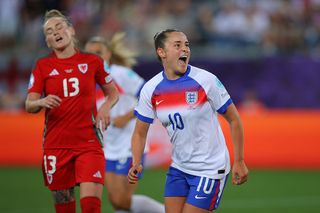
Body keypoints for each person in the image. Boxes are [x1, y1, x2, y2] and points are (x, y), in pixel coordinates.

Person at [128, 29, 249, 213]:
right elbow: (139, 131)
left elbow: (234, 119)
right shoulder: (150, 89)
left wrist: (239, 160)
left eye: (186, 45)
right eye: (177, 45)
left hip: (210, 168)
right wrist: (136, 161)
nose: (185, 49)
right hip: (179, 167)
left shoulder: (205, 80)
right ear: (162, 52)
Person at [25, 9, 119, 213]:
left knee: (90, 207)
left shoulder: (93, 61)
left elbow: (113, 94)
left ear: (72, 30)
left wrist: (104, 107)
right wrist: (42, 101)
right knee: (64, 209)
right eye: (49, 31)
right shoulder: (42, 66)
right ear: (47, 41)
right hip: (56, 146)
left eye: (59, 27)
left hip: (89, 143)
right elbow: (29, 104)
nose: (55, 33)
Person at [84, 33, 165, 213]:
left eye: (99, 52)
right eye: (90, 53)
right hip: (107, 145)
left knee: (121, 199)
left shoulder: (120, 74)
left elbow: (152, 96)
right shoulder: (87, 81)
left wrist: (127, 117)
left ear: (108, 55)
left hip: (130, 141)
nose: (95, 57)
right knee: (117, 201)